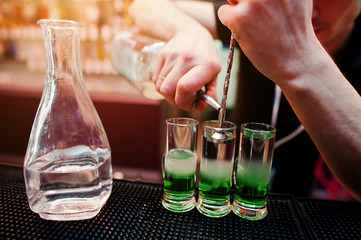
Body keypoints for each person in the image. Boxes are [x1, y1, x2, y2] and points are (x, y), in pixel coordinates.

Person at [128, 0, 361, 202]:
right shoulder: (266, 22)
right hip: (237, 206)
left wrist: (301, 57)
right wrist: (190, 31)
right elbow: (144, 6)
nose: (306, 12)